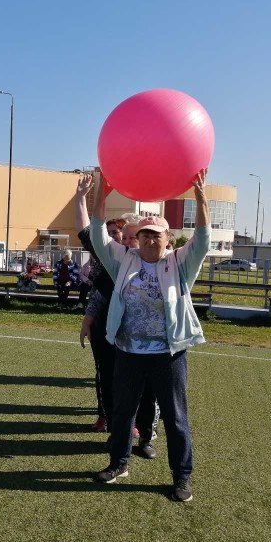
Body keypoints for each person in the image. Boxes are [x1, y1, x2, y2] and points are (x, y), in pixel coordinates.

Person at [90, 168, 211, 503]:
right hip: (129, 352)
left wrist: (200, 197)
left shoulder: (180, 263)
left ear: (168, 240)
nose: (149, 240)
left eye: (156, 235)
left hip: (167, 355)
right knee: (122, 413)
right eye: (144, 235)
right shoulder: (123, 260)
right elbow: (97, 234)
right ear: (137, 238)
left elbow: (202, 239)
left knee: (175, 418)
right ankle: (118, 463)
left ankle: (181, 476)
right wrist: (101, 193)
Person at [75, 176, 157, 455]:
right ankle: (115, 431)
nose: (132, 240)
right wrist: (88, 319)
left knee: (148, 390)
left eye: (137, 235)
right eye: (129, 236)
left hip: (148, 338)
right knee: (112, 382)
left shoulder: (162, 261)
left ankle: (146, 437)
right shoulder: (113, 258)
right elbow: (89, 232)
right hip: (113, 333)